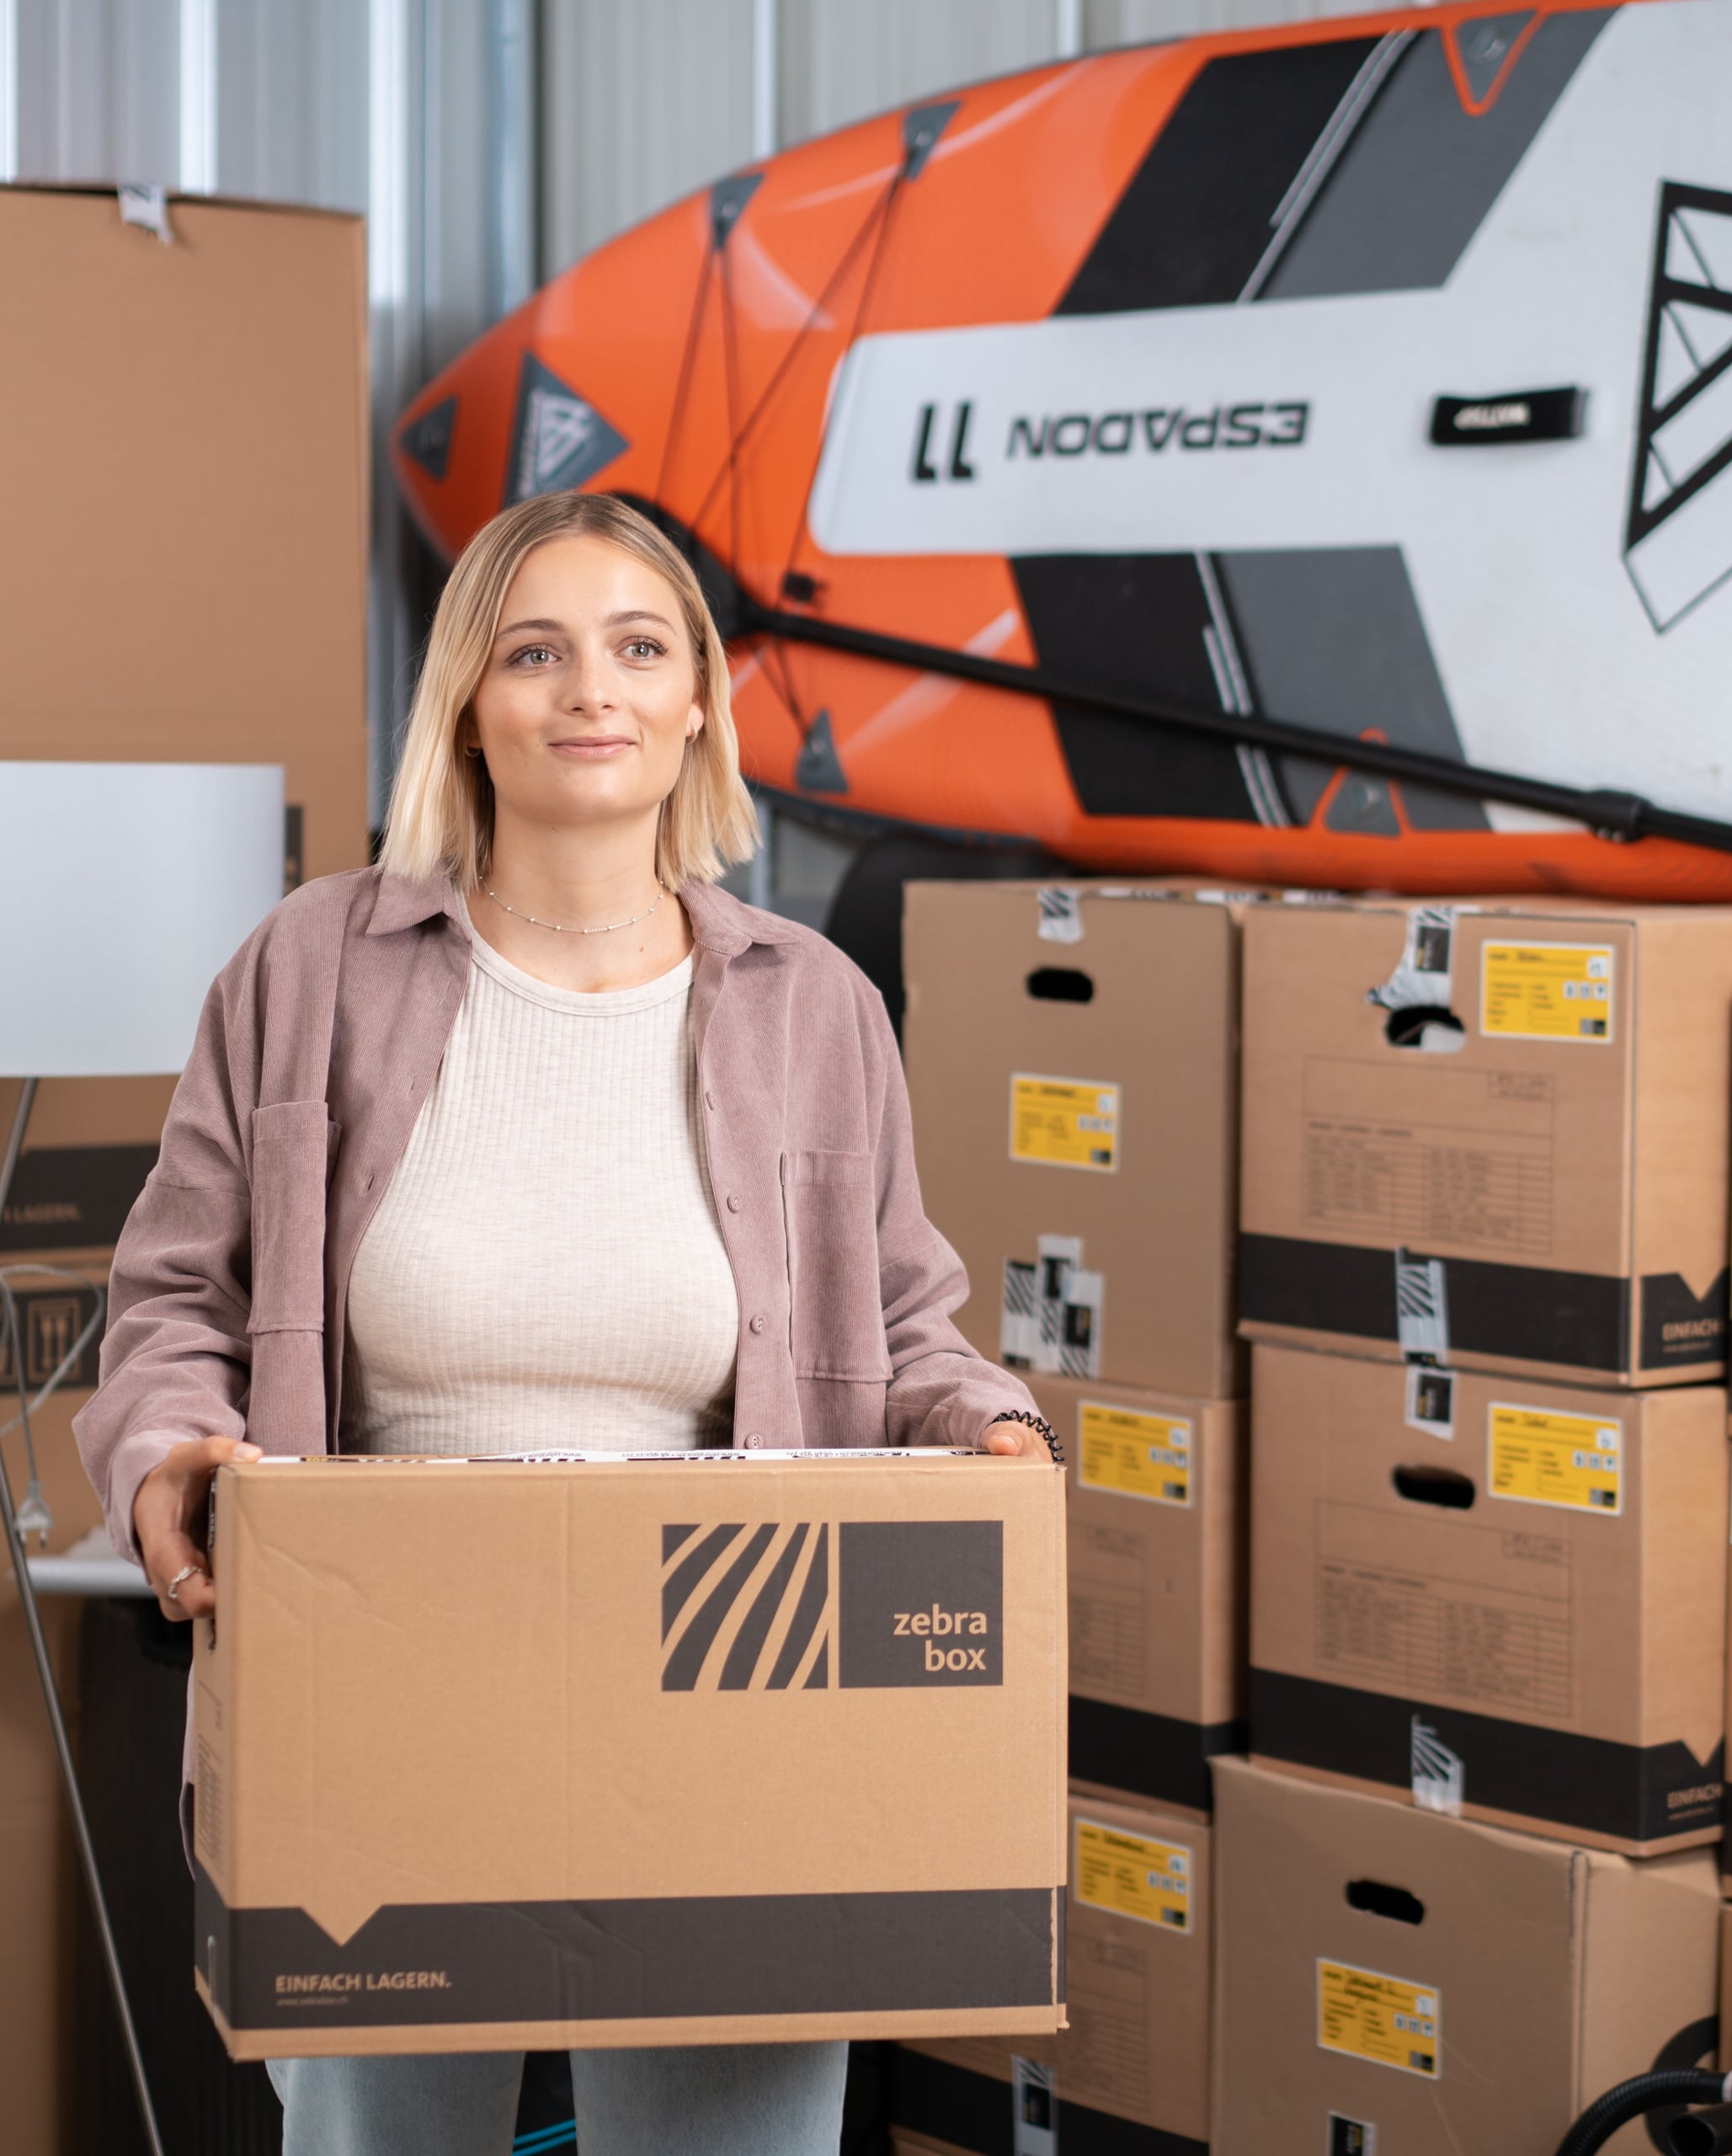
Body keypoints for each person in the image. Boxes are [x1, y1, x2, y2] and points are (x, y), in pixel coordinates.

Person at [75, 488, 1052, 2156]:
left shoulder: (813, 1002)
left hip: (728, 1686)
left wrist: (993, 1428)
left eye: (637, 647)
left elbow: (902, 1322)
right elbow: (175, 1296)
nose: (588, 688)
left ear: (694, 706)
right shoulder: (309, 965)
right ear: (469, 697)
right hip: (384, 1671)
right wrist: (168, 1449)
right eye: (535, 650)